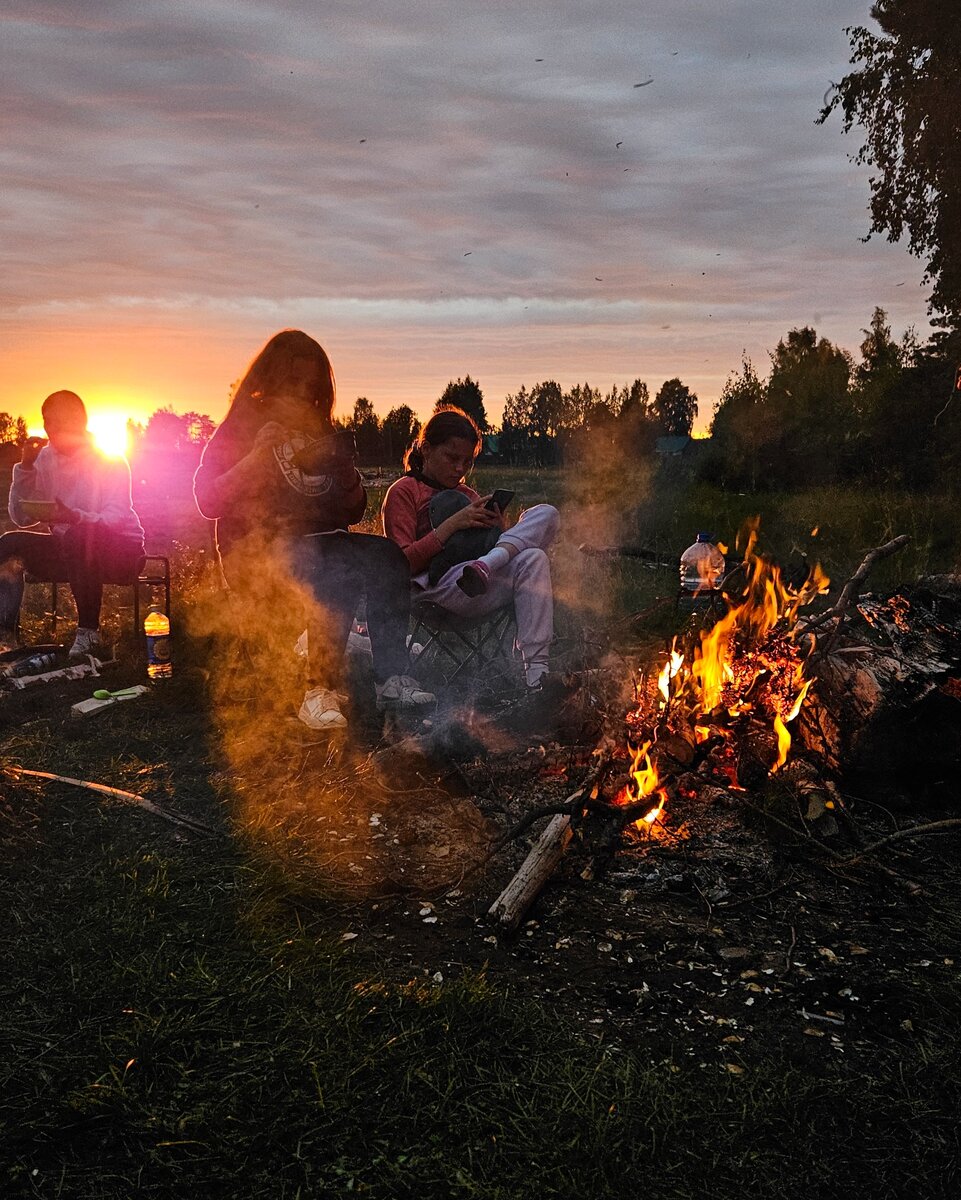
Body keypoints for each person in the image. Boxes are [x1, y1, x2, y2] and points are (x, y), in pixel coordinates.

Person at [193, 329, 433, 732]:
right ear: (269, 380)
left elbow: (353, 510)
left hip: (322, 544)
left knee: (387, 555)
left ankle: (390, 679)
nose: (302, 392)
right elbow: (207, 501)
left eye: (311, 384)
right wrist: (254, 458)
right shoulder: (243, 425)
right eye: (293, 381)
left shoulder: (321, 427)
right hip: (257, 553)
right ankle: (316, 690)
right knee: (334, 567)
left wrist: (346, 471)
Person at [382, 407, 559, 690]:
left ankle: (537, 675)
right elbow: (400, 564)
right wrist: (452, 524)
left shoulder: (468, 496)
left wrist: (497, 529)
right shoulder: (404, 491)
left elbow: (491, 543)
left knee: (545, 521)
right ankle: (486, 565)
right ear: (426, 449)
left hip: (479, 581)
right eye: (452, 458)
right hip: (437, 589)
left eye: (468, 462)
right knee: (529, 554)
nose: (460, 469)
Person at [2, 390, 145, 657]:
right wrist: (25, 468)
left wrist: (75, 517)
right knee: (10, 542)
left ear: (79, 421)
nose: (49, 428)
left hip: (121, 551)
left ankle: (89, 633)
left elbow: (116, 517)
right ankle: (5, 635)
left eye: (57, 421)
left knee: (79, 535)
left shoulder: (109, 459)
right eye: (46, 421)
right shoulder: (43, 460)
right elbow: (21, 517)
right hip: (68, 549)